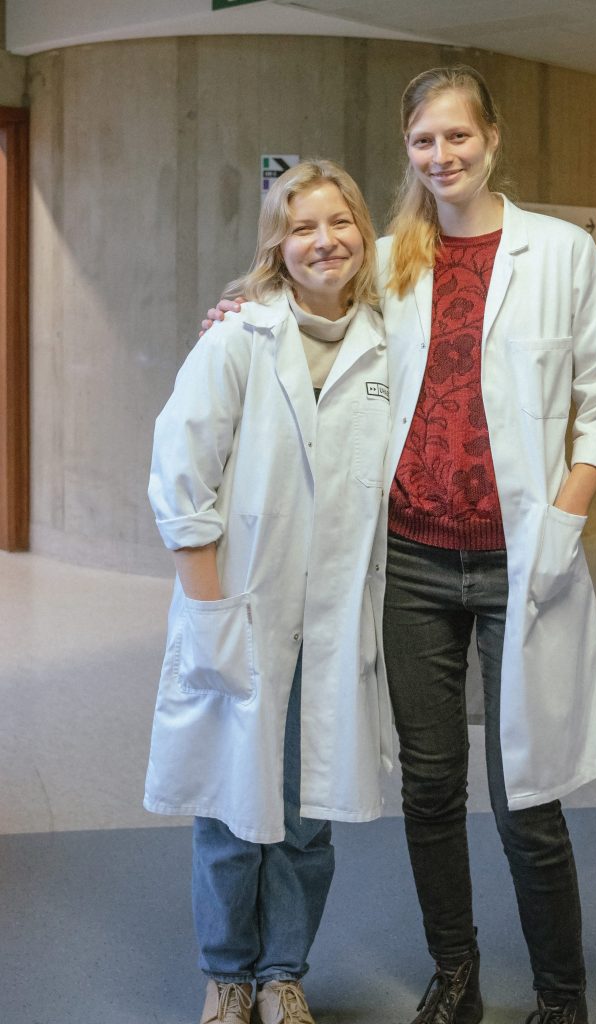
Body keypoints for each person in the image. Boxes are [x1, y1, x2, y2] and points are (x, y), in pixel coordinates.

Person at [205, 65, 596, 1024]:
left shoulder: (561, 253)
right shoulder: (393, 257)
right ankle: (457, 975)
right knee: (431, 791)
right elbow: (309, 311)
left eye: (458, 136)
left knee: (529, 793)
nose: (442, 156)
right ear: (407, 150)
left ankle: (562, 997)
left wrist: (564, 518)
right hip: (411, 562)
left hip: (523, 559)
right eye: (423, 141)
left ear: (492, 138)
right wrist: (240, 311)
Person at [146, 159, 393, 1024]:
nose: (324, 241)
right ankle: (227, 977)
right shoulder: (237, 338)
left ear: (364, 232)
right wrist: (211, 613)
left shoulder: (390, 343)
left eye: (339, 222)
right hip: (244, 610)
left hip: (334, 622)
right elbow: (181, 479)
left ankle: (283, 974)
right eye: (302, 227)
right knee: (229, 808)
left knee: (306, 813)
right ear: (276, 246)